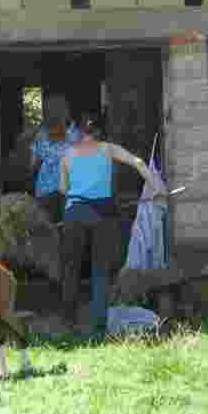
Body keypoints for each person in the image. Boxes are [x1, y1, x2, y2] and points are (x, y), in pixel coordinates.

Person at [58, 114, 167, 336]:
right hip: (103, 215)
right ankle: (99, 326)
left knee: (71, 267)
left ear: (80, 132)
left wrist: (80, 191)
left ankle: (68, 321)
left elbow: (63, 189)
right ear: (99, 132)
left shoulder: (68, 154)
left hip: (75, 213)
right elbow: (138, 162)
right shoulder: (108, 149)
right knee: (100, 270)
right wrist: (157, 188)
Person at [29, 94, 80, 223]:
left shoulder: (41, 135)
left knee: (47, 229)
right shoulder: (76, 134)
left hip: (45, 191)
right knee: (69, 229)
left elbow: (33, 165)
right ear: (65, 112)